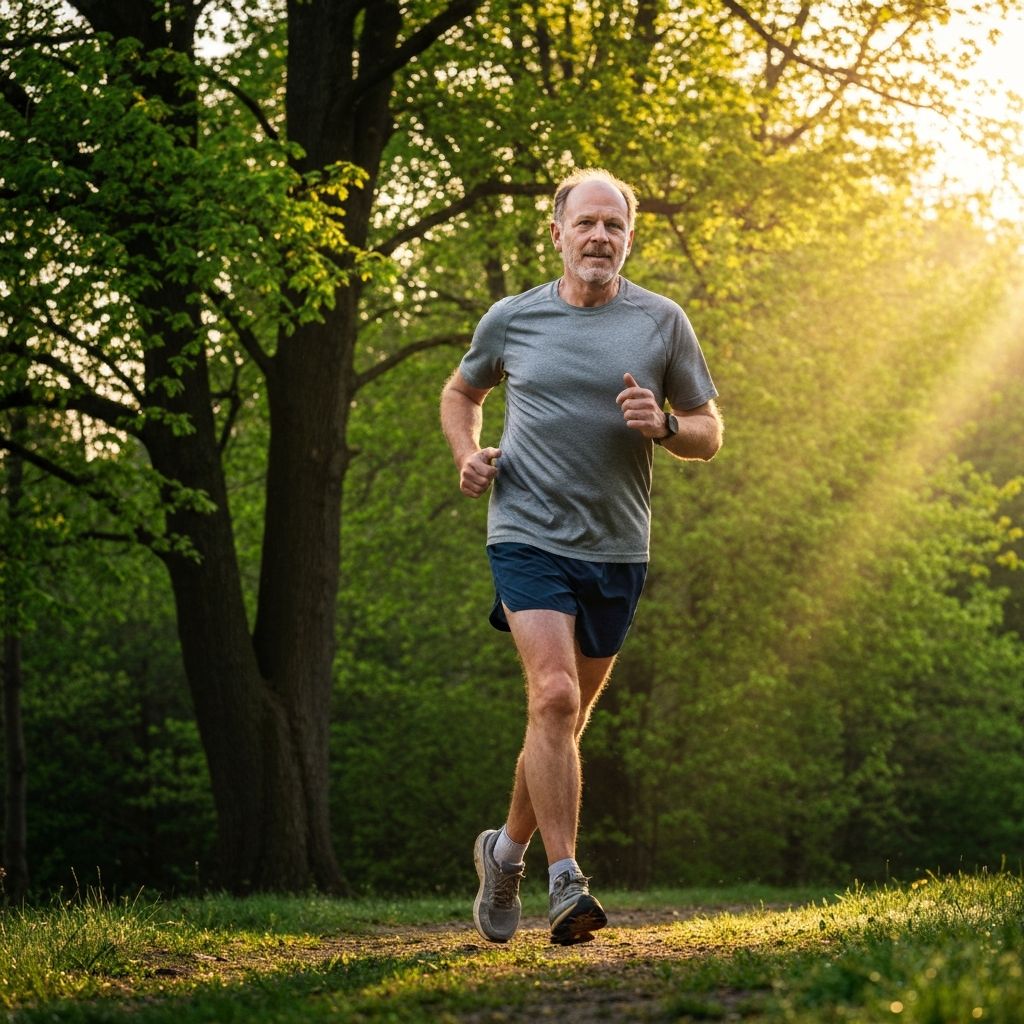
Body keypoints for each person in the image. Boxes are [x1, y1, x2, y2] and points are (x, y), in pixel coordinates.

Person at [439, 167, 722, 947]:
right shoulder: (513, 318)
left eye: (614, 225)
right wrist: (466, 455)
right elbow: (461, 393)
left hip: (617, 547)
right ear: (557, 232)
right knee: (555, 694)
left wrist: (666, 426)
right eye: (587, 223)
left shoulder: (662, 323)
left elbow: (708, 432)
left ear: (629, 237)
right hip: (526, 531)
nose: (600, 236)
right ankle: (567, 883)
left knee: (563, 718)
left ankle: (505, 853)